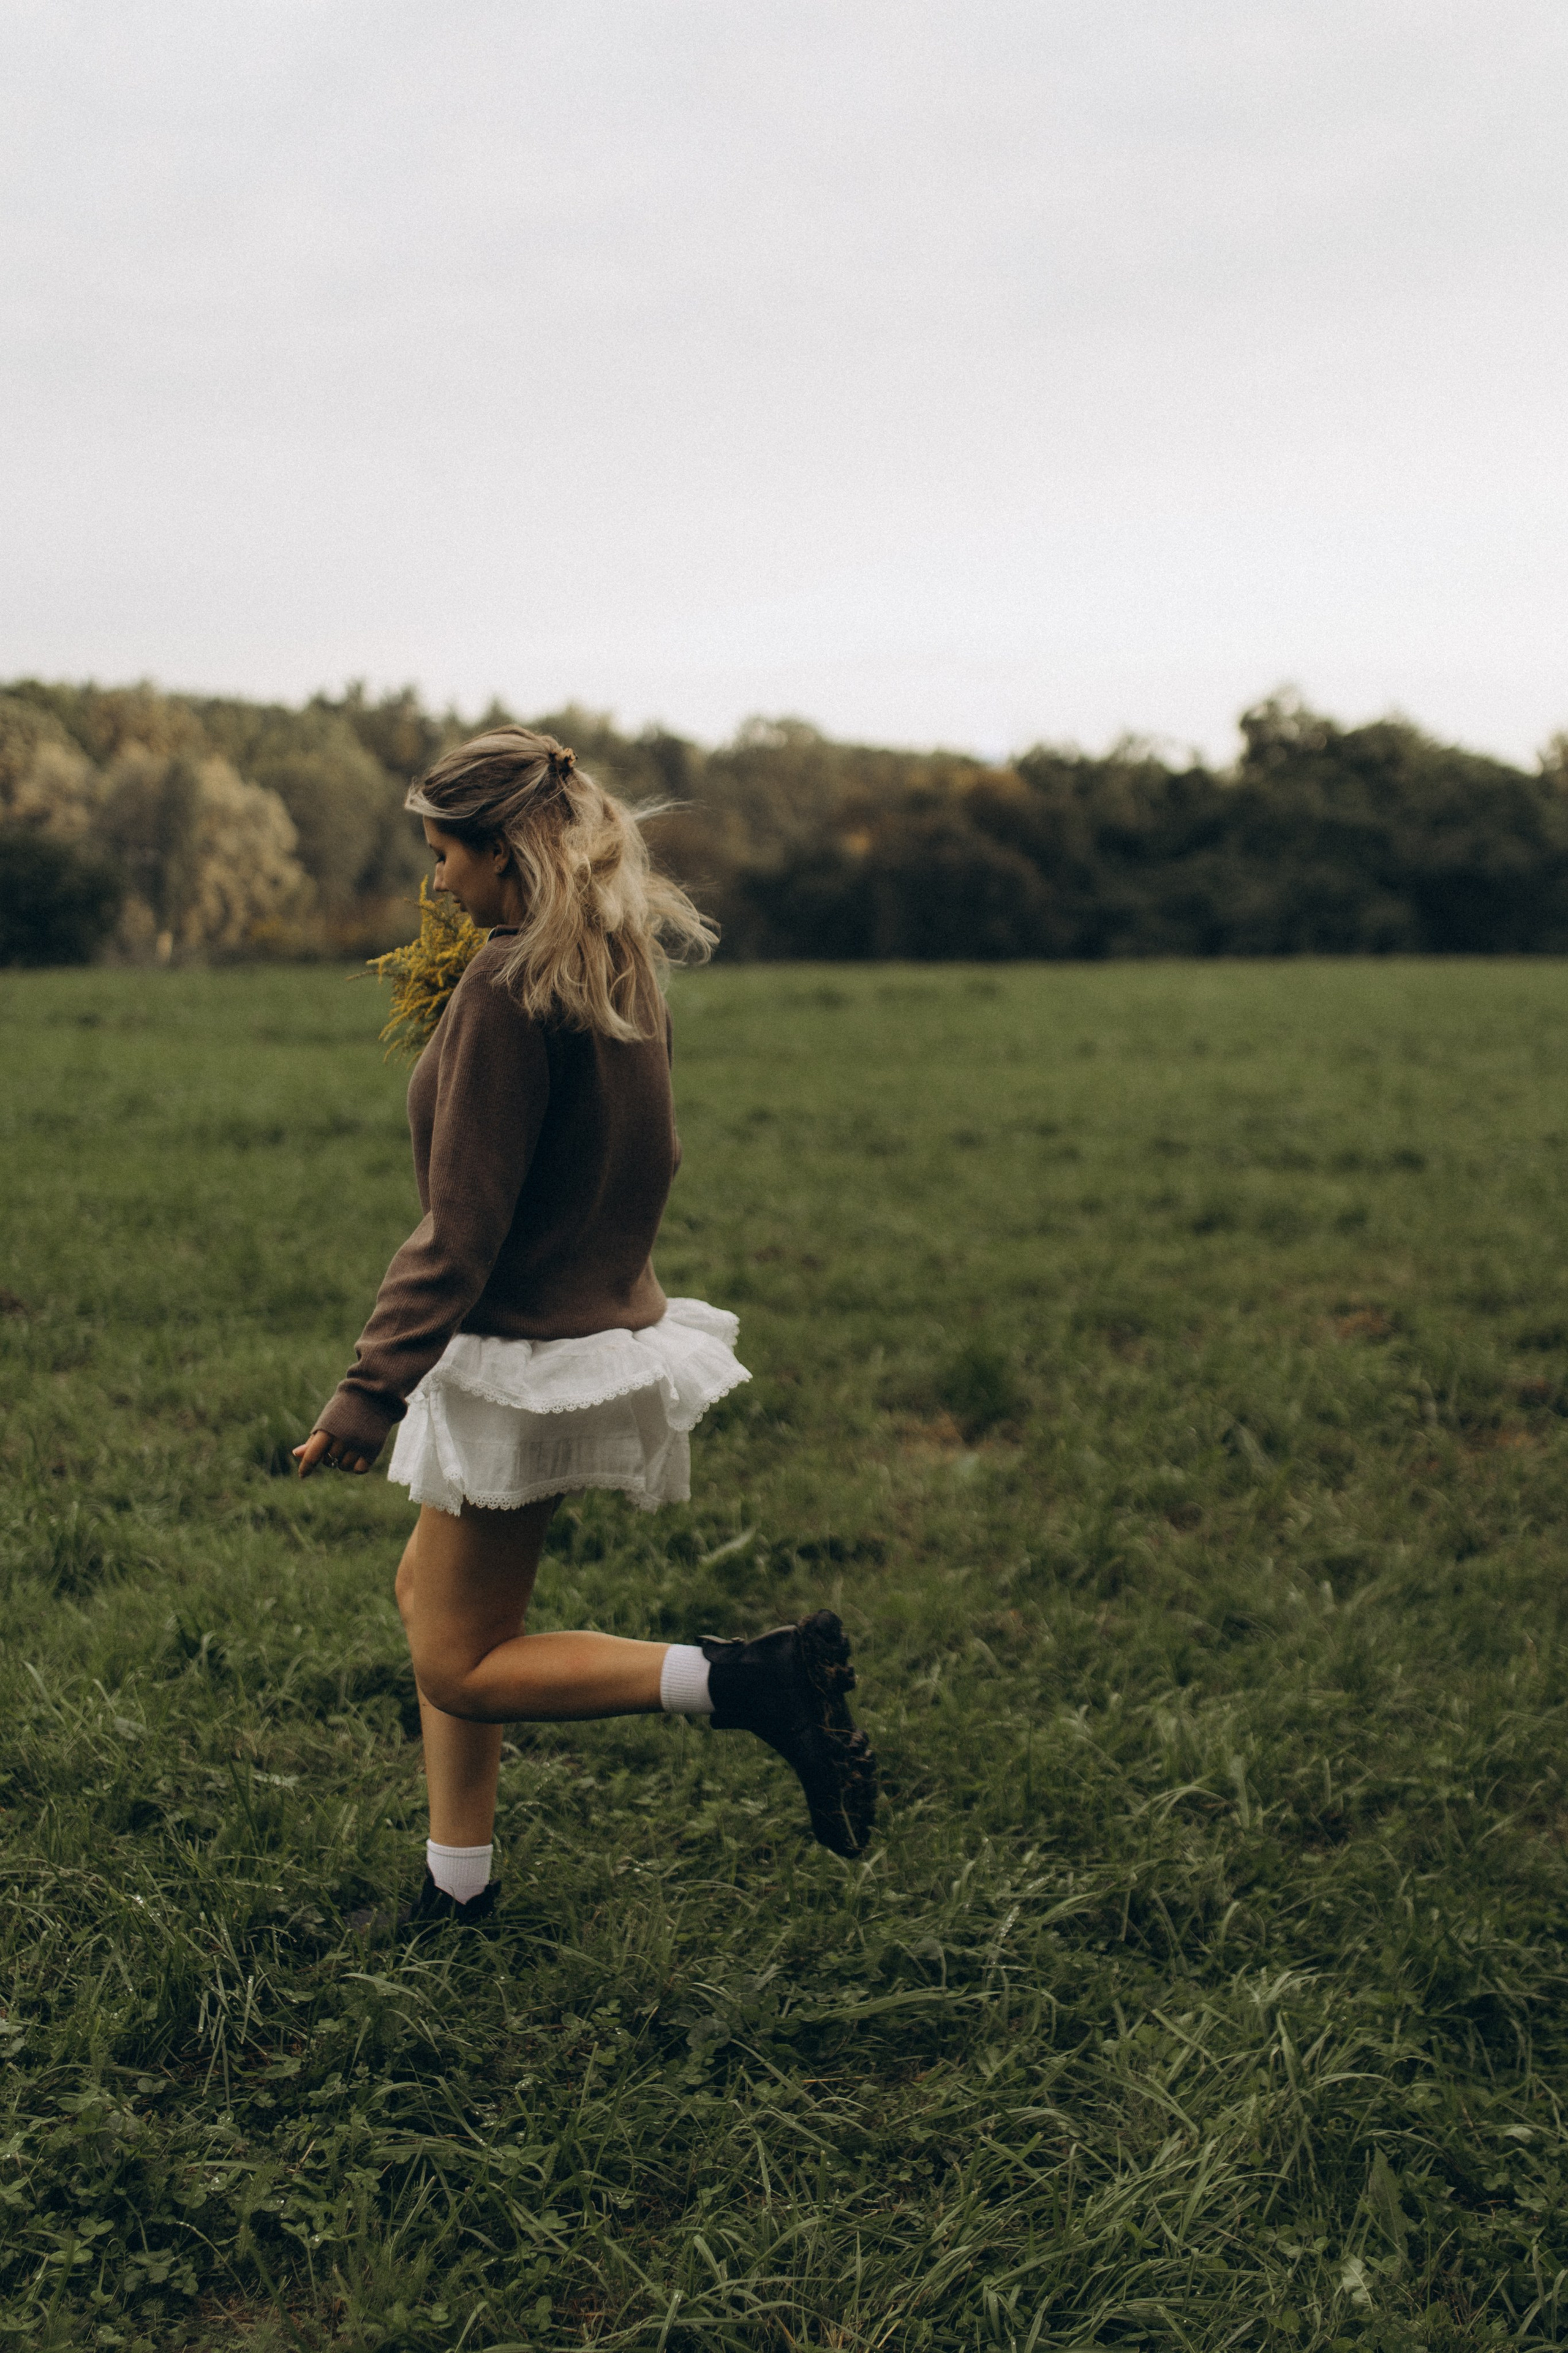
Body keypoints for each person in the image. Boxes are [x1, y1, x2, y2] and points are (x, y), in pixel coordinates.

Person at [294, 727, 877, 1924]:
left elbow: (456, 1233)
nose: (437, 882)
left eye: (445, 854)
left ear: (502, 848)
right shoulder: (606, 958)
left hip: (522, 1357)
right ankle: (455, 1890)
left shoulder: (508, 985)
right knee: (430, 1603)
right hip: (577, 1330)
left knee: (460, 1656)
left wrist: (367, 1393)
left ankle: (750, 1681)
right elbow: (652, 1152)